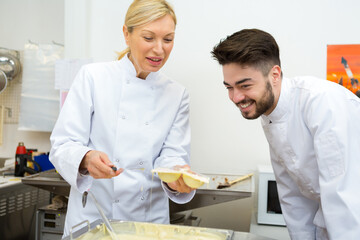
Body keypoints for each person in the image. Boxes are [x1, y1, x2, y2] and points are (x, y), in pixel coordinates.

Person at [50, 0, 196, 237]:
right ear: (126, 34)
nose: (159, 49)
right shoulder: (93, 77)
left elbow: (172, 155)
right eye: (149, 38)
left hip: (149, 223)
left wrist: (176, 175)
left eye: (168, 39)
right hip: (95, 219)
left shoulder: (177, 93)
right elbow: (62, 145)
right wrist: (86, 158)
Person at [211, 28, 360, 239]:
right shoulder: (270, 113)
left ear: (274, 75)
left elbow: (343, 196)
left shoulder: (321, 103)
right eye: (229, 87)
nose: (236, 97)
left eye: (245, 85)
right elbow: (293, 195)